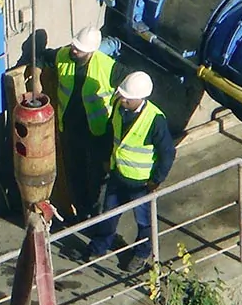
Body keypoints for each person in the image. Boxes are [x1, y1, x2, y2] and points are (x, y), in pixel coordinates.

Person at [86, 71, 177, 264]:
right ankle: (99, 247)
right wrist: (106, 159)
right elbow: (112, 134)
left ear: (140, 98)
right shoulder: (120, 107)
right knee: (109, 214)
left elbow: (168, 152)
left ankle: (141, 254)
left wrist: (156, 180)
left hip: (141, 183)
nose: (122, 100)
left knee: (144, 221)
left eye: (127, 98)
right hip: (118, 174)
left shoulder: (155, 120)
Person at [45, 27, 116, 227]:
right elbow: (46, 57)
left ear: (92, 51)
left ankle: (97, 219)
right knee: (75, 174)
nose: (74, 51)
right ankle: (82, 213)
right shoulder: (63, 55)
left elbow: (129, 91)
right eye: (74, 46)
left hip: (98, 133)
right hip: (71, 128)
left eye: (79, 49)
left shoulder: (108, 67)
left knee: (97, 176)